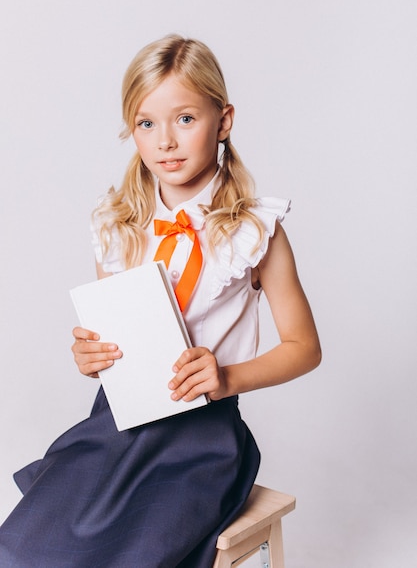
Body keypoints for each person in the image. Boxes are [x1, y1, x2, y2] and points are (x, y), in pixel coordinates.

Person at [0, 34, 321, 567]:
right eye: (147, 123)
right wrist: (91, 357)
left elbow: (304, 347)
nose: (166, 141)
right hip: (117, 426)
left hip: (202, 440)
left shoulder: (254, 229)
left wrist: (228, 378)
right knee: (29, 548)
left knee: (137, 554)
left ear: (223, 120)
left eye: (186, 119)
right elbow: (115, 346)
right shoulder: (116, 224)